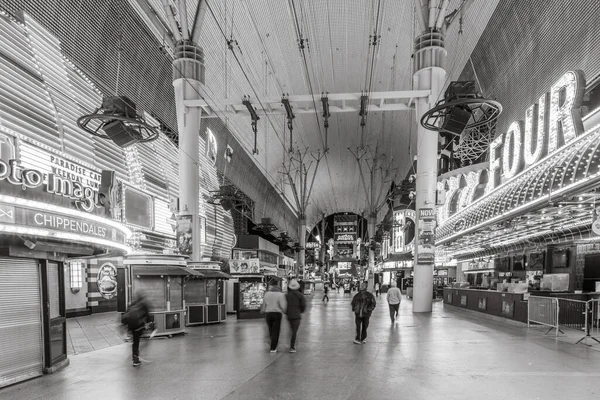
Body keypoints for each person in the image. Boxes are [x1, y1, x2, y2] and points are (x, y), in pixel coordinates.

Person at [122, 291, 151, 367]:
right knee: (138, 341)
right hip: (139, 327)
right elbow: (148, 316)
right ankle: (136, 358)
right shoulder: (143, 305)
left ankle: (135, 358)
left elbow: (125, 315)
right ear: (142, 298)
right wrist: (152, 327)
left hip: (131, 327)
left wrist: (124, 325)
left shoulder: (132, 304)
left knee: (135, 342)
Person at [262, 279, 287, 353]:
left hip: (268, 314)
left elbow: (264, 305)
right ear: (277, 285)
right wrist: (284, 310)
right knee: (276, 331)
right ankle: (273, 348)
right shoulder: (280, 294)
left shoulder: (267, 294)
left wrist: (263, 310)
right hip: (277, 314)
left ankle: (271, 342)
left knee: (270, 330)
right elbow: (283, 305)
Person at [286, 279, 306, 353]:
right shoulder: (300, 295)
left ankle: (292, 343)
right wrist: (301, 311)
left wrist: (286, 312)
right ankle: (292, 347)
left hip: (289, 315)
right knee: (294, 331)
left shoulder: (287, 295)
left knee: (292, 330)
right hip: (297, 315)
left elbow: (285, 305)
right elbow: (303, 305)